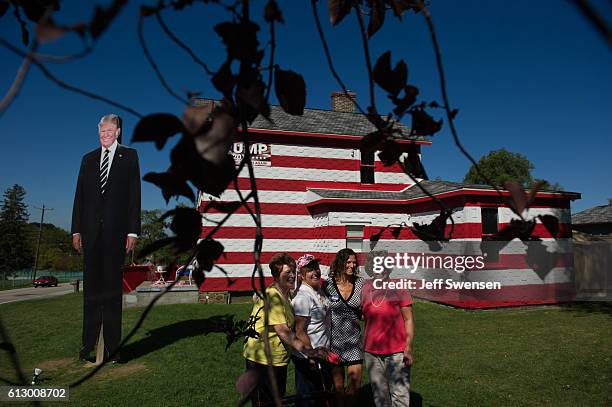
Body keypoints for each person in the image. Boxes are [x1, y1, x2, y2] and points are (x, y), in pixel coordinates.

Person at [71, 114, 141, 363]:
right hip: (90, 234)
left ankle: (113, 348)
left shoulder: (130, 156)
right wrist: (76, 230)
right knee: (91, 293)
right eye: (101, 132)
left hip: (116, 234)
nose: (105, 135)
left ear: (118, 132)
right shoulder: (88, 160)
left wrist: (133, 231)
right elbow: (79, 196)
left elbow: (134, 196)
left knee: (111, 293)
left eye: (109, 131)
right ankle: (87, 346)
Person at [243, 253, 323, 406]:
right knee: (265, 402)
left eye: (293, 271)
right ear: (276, 275)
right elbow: (283, 331)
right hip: (262, 360)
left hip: (277, 359)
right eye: (287, 272)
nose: (292, 275)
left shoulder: (286, 296)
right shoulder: (272, 296)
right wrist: (308, 351)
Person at [362, 251, 415, 407]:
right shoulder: (365, 288)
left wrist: (409, 347)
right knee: (380, 397)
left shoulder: (399, 288)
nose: (380, 269)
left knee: (399, 395)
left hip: (396, 352)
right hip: (371, 352)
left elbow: (409, 319)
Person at [323, 248, 364, 405]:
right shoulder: (328, 285)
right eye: (348, 262)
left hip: (354, 341)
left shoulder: (360, 283)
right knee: (338, 388)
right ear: (340, 263)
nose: (352, 265)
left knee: (354, 387)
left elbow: (367, 306)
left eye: (354, 262)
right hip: (334, 342)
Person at [291, 254, 332, 406]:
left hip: (322, 354)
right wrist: (311, 354)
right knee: (307, 399)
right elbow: (299, 331)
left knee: (321, 397)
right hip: (308, 357)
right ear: (301, 275)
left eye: (316, 267)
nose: (315, 272)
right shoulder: (303, 297)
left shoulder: (318, 289)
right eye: (309, 269)